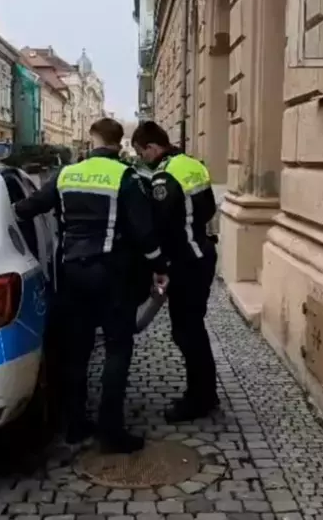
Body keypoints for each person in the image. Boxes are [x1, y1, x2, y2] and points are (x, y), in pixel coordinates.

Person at [15, 118, 169, 454]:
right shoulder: (126, 177)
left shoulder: (67, 174)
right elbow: (144, 232)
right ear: (118, 142)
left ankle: (75, 424)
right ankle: (111, 432)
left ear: (93, 138)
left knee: (77, 349)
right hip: (113, 274)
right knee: (117, 347)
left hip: (72, 273)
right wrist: (159, 266)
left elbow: (27, 208)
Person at [131, 121, 219, 423]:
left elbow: (161, 225)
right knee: (193, 327)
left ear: (152, 147)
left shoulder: (164, 177)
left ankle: (200, 399)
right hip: (202, 253)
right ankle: (206, 392)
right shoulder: (193, 164)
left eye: (141, 152)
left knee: (186, 332)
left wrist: (157, 263)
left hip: (186, 263)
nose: (141, 158)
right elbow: (209, 209)